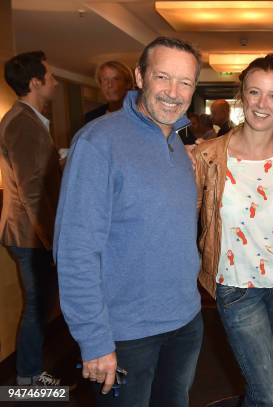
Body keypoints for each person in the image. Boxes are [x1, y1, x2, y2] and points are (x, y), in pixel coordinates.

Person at [54, 37, 203, 407]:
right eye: (163, 77)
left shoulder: (181, 148)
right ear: (140, 76)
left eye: (185, 82)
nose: (173, 92)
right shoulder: (97, 142)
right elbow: (75, 251)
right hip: (123, 336)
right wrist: (94, 340)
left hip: (185, 323)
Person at [194, 54, 273, 407]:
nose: (263, 104)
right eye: (254, 93)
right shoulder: (208, 156)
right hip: (236, 285)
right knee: (267, 393)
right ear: (242, 95)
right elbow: (193, 213)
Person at [0, 51, 61, 386]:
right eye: (50, 77)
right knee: (38, 306)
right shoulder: (23, 122)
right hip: (29, 235)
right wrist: (52, 242)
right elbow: (31, 192)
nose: (55, 81)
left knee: (40, 304)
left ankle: (31, 372)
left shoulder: (29, 118)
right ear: (36, 82)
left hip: (30, 234)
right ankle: (28, 378)